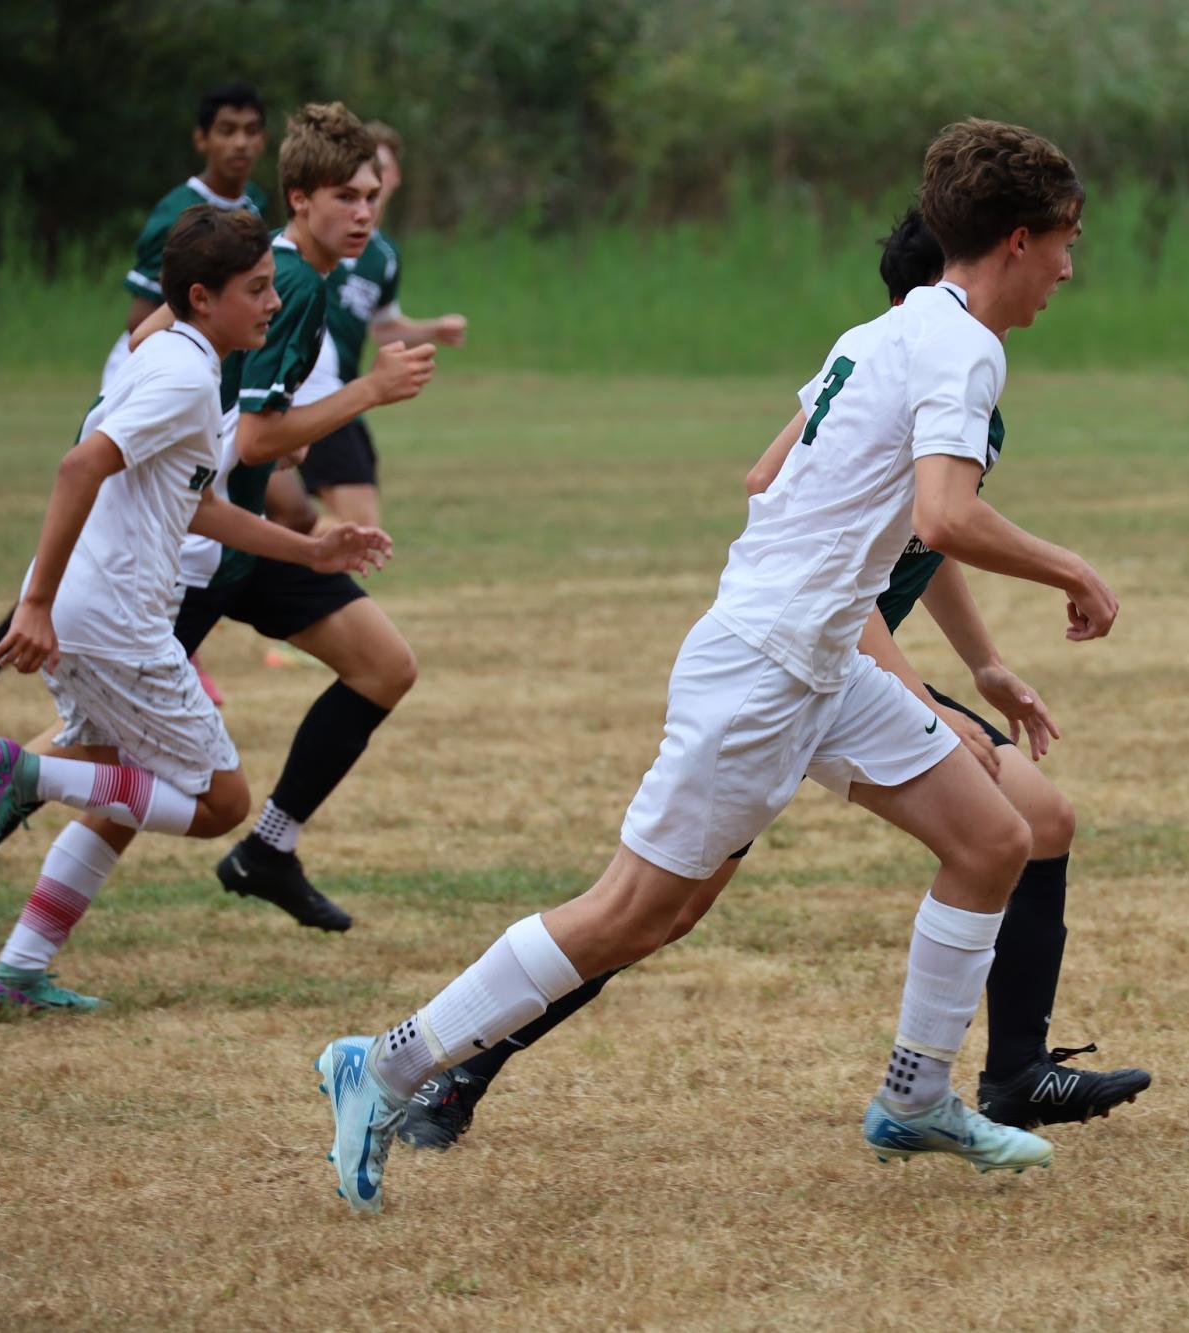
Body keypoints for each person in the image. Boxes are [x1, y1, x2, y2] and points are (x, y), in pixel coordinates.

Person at [314, 118, 1117, 1214]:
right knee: (633, 911)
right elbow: (944, 513)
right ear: (1019, 239)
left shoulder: (881, 330)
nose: (1070, 267)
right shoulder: (968, 347)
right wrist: (1071, 566)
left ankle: (915, 1096)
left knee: (994, 838)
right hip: (766, 666)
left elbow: (790, 480)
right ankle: (389, 1062)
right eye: (1068, 241)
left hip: (821, 658)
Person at [0, 207, 389, 1009]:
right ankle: (23, 775)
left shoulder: (172, 355)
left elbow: (193, 504)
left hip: (99, 609)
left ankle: (18, 969)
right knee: (222, 803)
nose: (271, 301)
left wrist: (310, 549)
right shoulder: (185, 376)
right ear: (201, 296)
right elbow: (79, 464)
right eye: (255, 289)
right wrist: (36, 603)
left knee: (125, 778)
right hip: (113, 617)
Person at [131, 102, 437, 933]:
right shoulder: (290, 282)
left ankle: (268, 846)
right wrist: (367, 393)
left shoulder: (282, 268)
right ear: (298, 199)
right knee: (105, 755)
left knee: (383, 664)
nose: (365, 213)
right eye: (347, 195)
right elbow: (258, 424)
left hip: (242, 532)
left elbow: (230, 410)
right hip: (199, 543)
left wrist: (261, 445)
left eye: (372, 195)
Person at [0, 82, 270, 743]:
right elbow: (144, 327)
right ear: (202, 138)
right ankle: (36, 655)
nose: (241, 142)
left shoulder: (252, 211)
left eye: (252, 129)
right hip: (157, 386)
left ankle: (135, 651)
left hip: (191, 381)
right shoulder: (176, 212)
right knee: (109, 545)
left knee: (152, 535)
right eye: (226, 128)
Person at [286, 121, 467, 533]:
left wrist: (432, 330)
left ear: (394, 178)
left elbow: (382, 327)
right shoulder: (296, 251)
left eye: (376, 175)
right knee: (359, 528)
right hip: (310, 396)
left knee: (350, 528)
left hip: (342, 397)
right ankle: (262, 536)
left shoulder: (383, 257)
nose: (366, 195)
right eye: (347, 190)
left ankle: (268, 539)